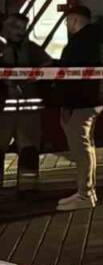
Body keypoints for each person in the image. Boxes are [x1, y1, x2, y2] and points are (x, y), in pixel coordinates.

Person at [53, 5, 103, 210]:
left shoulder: (81, 43)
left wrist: (68, 104)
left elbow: (74, 76)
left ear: (74, 20)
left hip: (82, 102)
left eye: (67, 21)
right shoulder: (98, 38)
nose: (66, 25)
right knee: (86, 145)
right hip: (93, 100)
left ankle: (85, 194)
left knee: (81, 148)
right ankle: (86, 192)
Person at [0, 13, 51, 181]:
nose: (20, 32)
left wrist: (37, 75)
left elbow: (48, 64)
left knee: (29, 150)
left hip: (27, 112)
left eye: (23, 28)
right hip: (4, 110)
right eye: (16, 27)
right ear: (5, 27)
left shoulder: (31, 48)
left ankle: (28, 187)